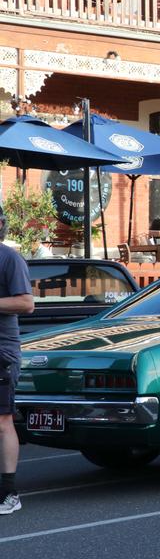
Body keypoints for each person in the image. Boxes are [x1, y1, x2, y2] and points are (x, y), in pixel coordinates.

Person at [0, 206, 35, 515]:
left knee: (2, 421)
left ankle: (9, 493)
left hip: (2, 353)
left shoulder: (9, 258)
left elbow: (26, 303)